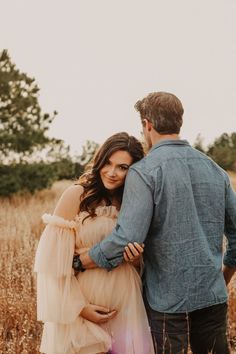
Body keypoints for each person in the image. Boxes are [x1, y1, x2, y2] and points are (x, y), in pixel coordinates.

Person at [78, 92, 236, 354]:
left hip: (165, 304)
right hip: (212, 297)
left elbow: (125, 239)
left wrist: (79, 261)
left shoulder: (145, 171)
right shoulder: (215, 170)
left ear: (147, 124)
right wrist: (223, 277)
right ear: (179, 122)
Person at [34, 132, 155, 354]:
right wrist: (79, 308)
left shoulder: (134, 202)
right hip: (83, 305)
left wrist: (137, 260)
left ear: (134, 171)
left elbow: (147, 262)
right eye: (107, 163)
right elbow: (53, 264)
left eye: (122, 167)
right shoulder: (77, 195)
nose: (112, 172)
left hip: (127, 303)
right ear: (99, 161)